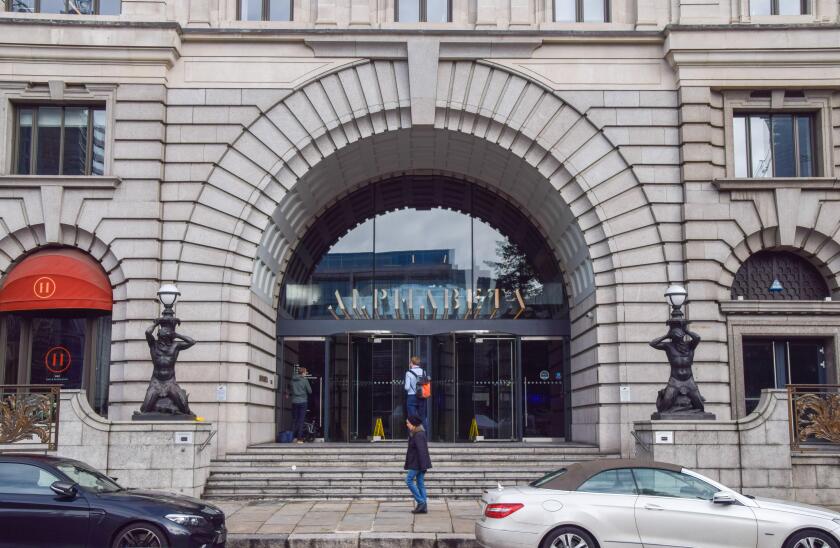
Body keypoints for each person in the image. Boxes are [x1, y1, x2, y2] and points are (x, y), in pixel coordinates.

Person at [404, 415, 432, 514]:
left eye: (408, 423)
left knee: (408, 480)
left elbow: (422, 451)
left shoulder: (418, 434)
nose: (407, 425)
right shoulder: (416, 433)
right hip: (419, 463)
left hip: (418, 463)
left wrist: (423, 466)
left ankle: (421, 502)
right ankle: (423, 507)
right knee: (420, 484)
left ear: (413, 424)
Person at [404, 356, 429, 430]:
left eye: (410, 362)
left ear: (411, 363)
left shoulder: (408, 372)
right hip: (422, 396)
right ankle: (424, 436)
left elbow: (407, 387)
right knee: (422, 417)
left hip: (411, 397)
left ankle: (413, 436)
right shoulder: (423, 371)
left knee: (412, 418)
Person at [289, 365, 312, 444]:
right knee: (301, 420)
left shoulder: (293, 380)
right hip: (302, 402)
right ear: (303, 373)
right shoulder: (304, 380)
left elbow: (290, 388)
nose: (306, 373)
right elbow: (310, 391)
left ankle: (293, 437)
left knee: (294, 420)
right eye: (306, 372)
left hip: (294, 401)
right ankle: (299, 438)